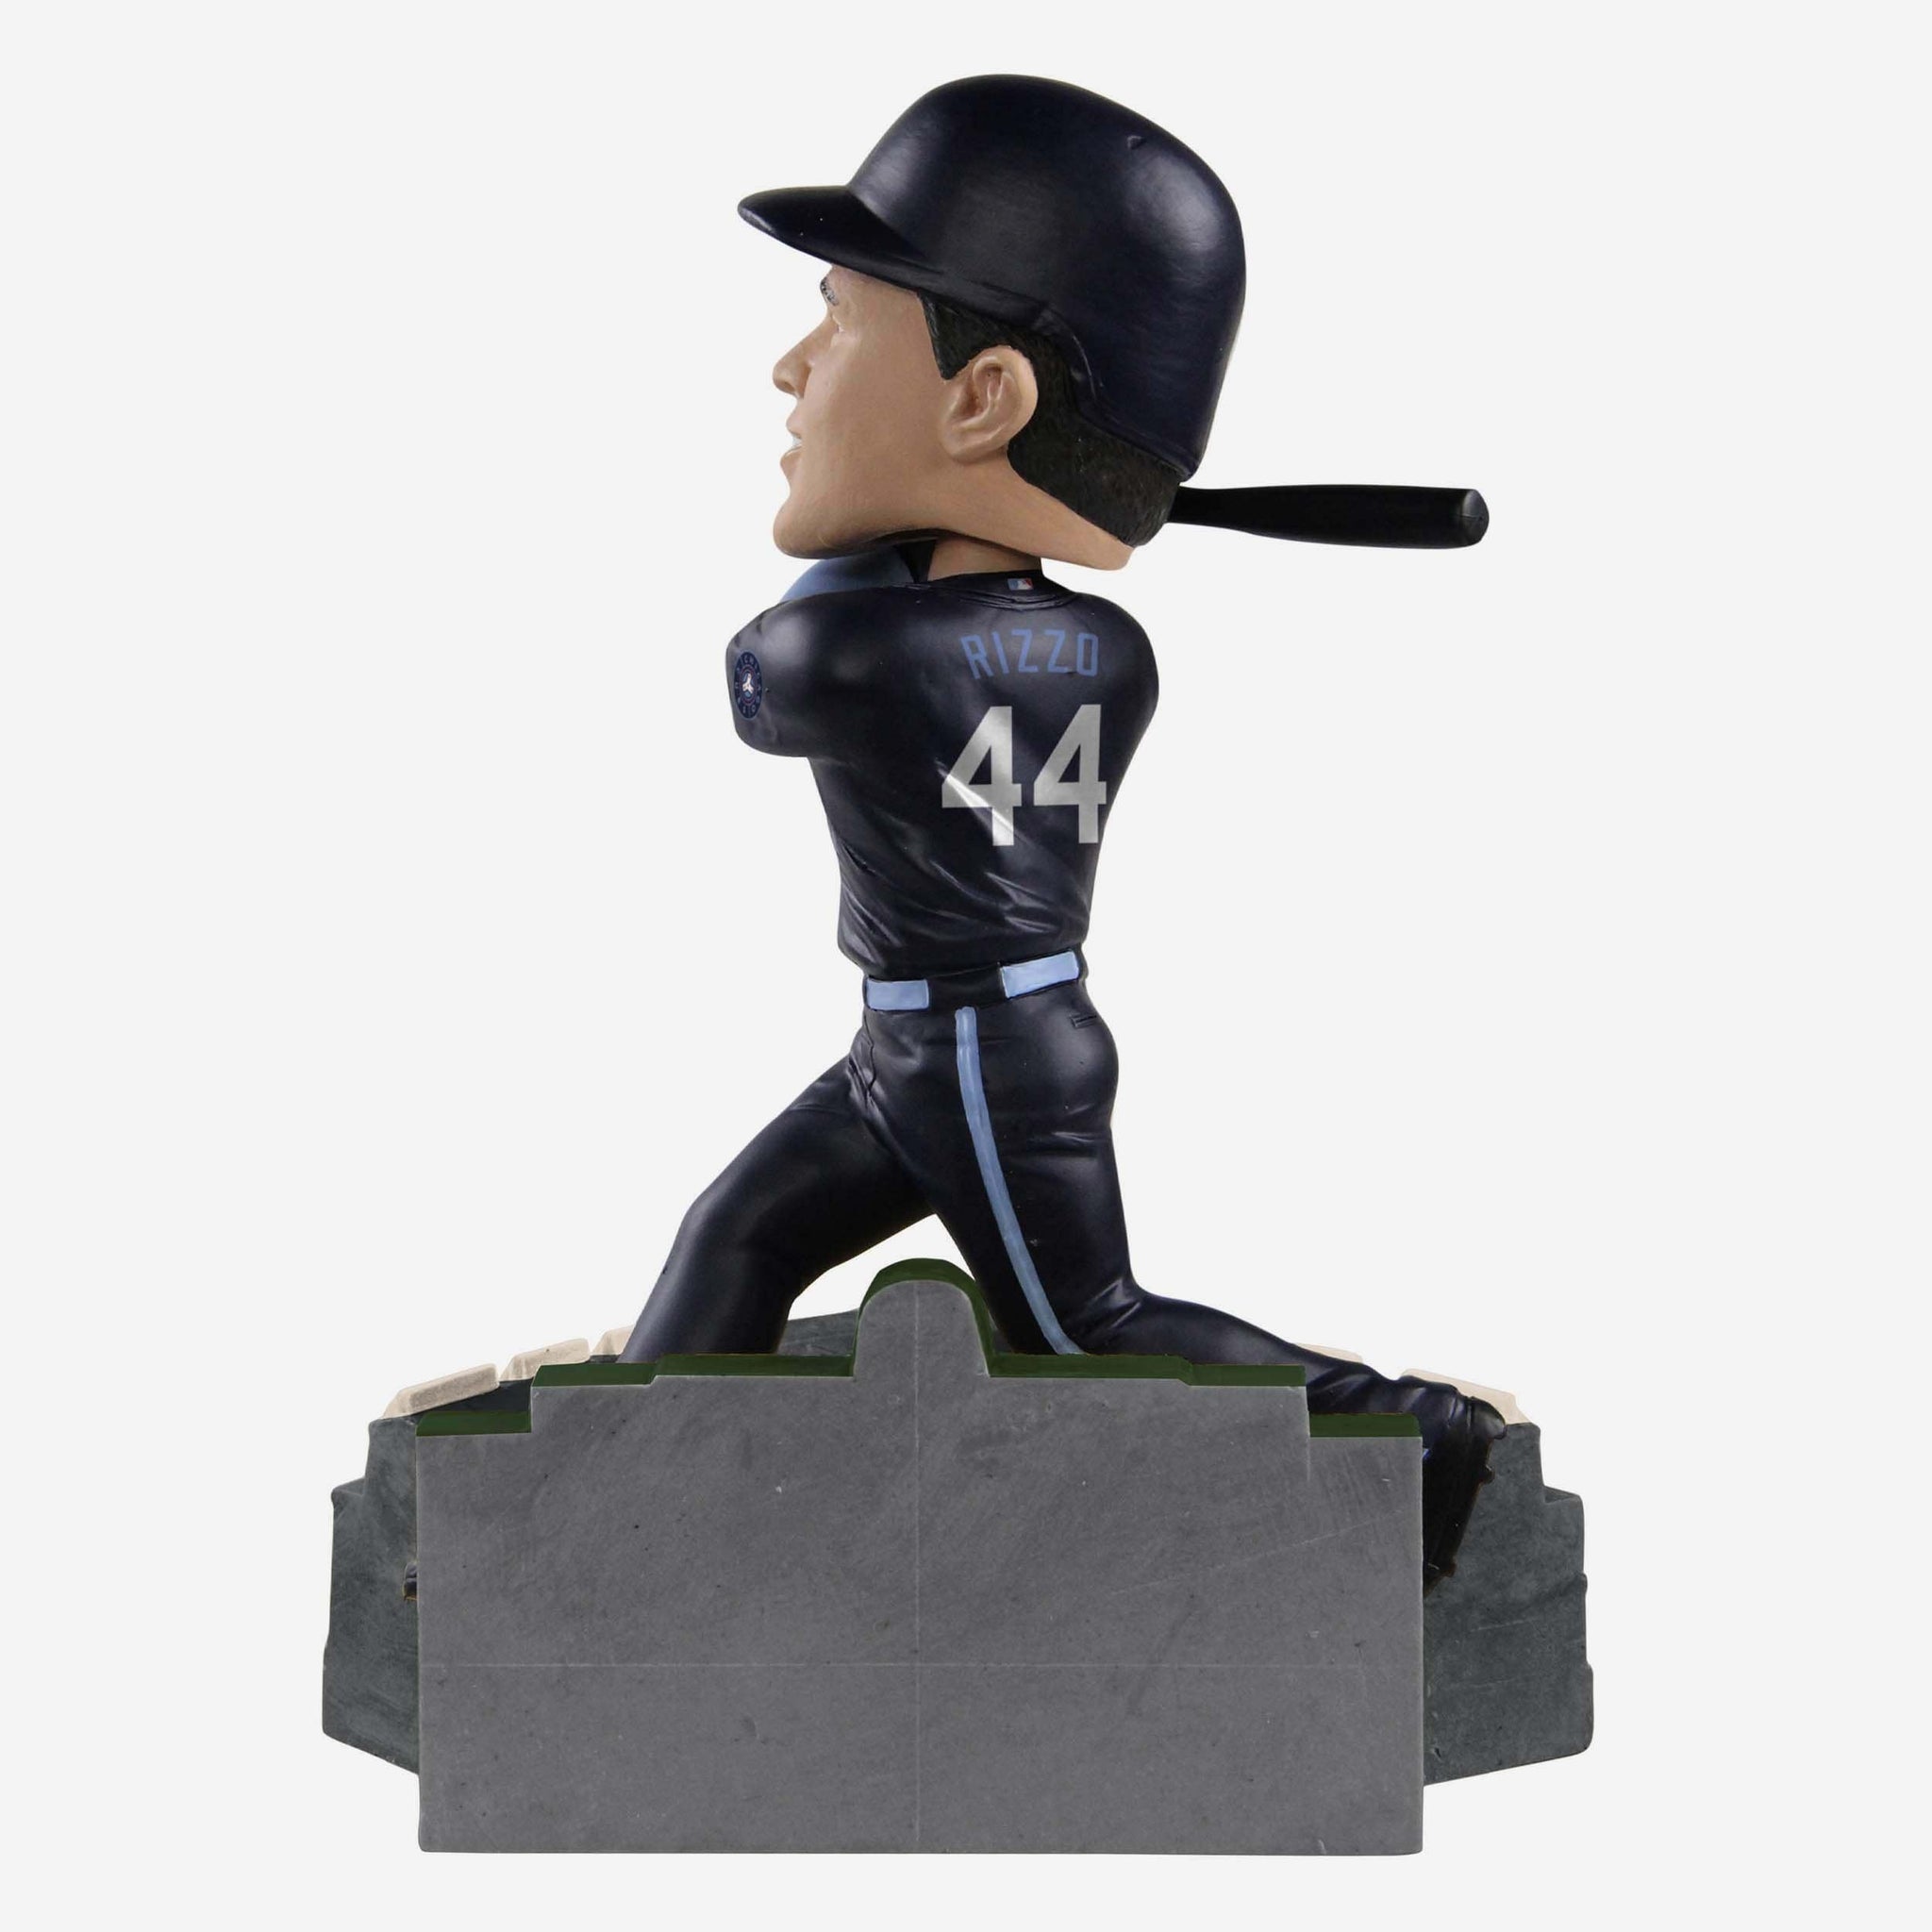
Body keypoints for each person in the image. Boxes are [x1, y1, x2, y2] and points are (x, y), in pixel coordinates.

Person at [617, 75, 1500, 1587]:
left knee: (1086, 1332)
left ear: (985, 404)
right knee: (739, 1231)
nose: (791, 368)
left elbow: (769, 677)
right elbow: (964, 622)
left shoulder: (849, 650)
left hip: (973, 1045)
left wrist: (910, 527)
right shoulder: (1113, 652)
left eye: (841, 323)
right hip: (938, 1042)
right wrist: (1018, 503)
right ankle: (627, 1515)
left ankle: (1405, 1437)